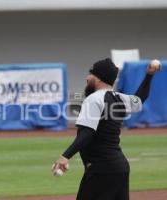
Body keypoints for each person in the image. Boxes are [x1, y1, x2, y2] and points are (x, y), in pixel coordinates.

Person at [52, 58, 161, 200]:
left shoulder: (93, 99)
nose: (87, 78)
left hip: (101, 169)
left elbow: (87, 133)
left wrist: (65, 156)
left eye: (90, 74)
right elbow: (140, 99)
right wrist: (149, 75)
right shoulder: (120, 98)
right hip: (119, 167)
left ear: (98, 78)